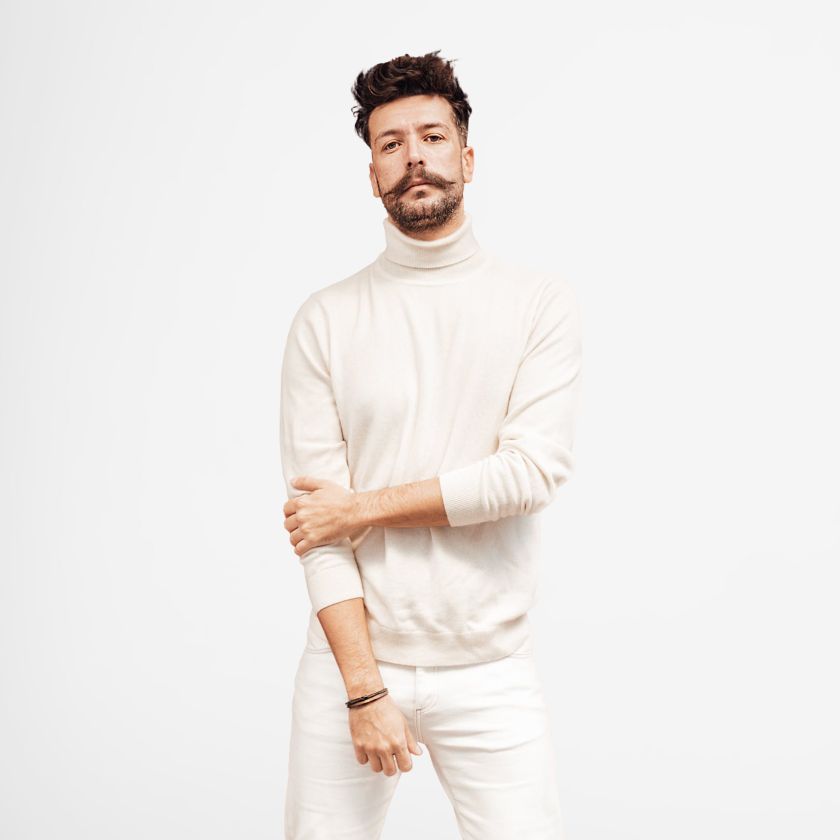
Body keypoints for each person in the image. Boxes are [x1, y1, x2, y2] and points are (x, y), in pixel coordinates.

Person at [279, 49, 583, 840]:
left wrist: (361, 510)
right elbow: (317, 529)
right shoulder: (326, 320)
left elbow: (527, 475)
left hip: (490, 668)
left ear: (467, 159)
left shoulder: (537, 304)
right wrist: (363, 689)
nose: (413, 157)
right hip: (350, 666)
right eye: (391, 143)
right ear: (372, 175)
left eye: (432, 137)